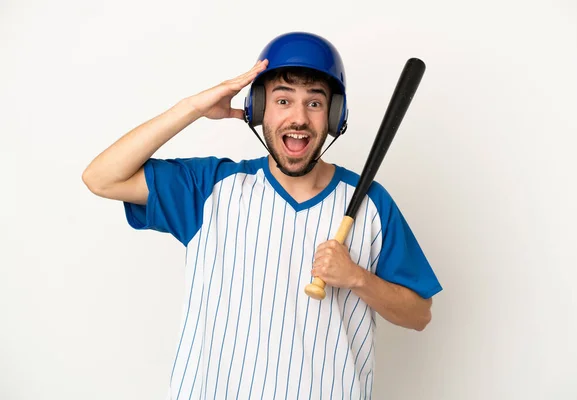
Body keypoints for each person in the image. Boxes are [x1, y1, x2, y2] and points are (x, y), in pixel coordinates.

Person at [82, 31, 442, 400]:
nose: (298, 118)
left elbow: (419, 315)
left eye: (315, 104)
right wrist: (191, 108)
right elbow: (101, 178)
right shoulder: (210, 187)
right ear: (257, 108)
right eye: (282, 100)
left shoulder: (371, 204)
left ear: (334, 116)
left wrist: (357, 278)